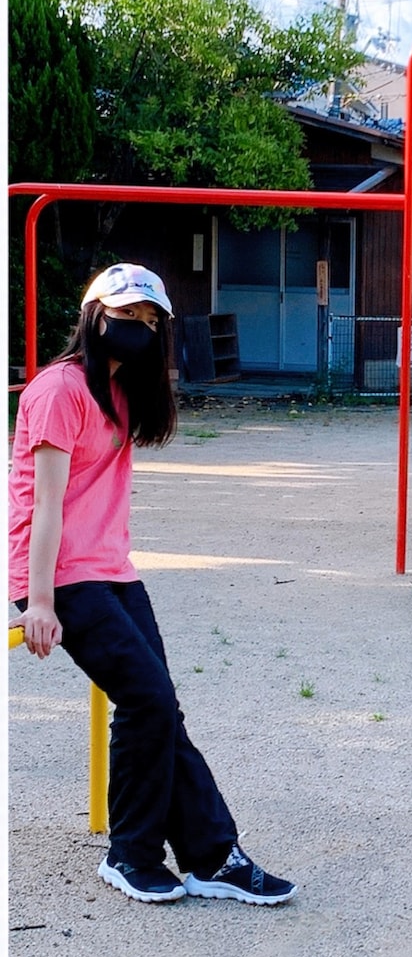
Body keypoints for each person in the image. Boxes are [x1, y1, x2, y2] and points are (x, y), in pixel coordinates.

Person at [8, 263, 297, 906]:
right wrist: (42, 603)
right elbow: (43, 507)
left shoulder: (123, 391)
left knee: (161, 707)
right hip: (57, 574)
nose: (134, 328)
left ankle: (212, 857)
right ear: (93, 317)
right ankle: (131, 855)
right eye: (123, 315)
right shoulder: (59, 390)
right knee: (149, 702)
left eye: (146, 320)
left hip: (111, 569)